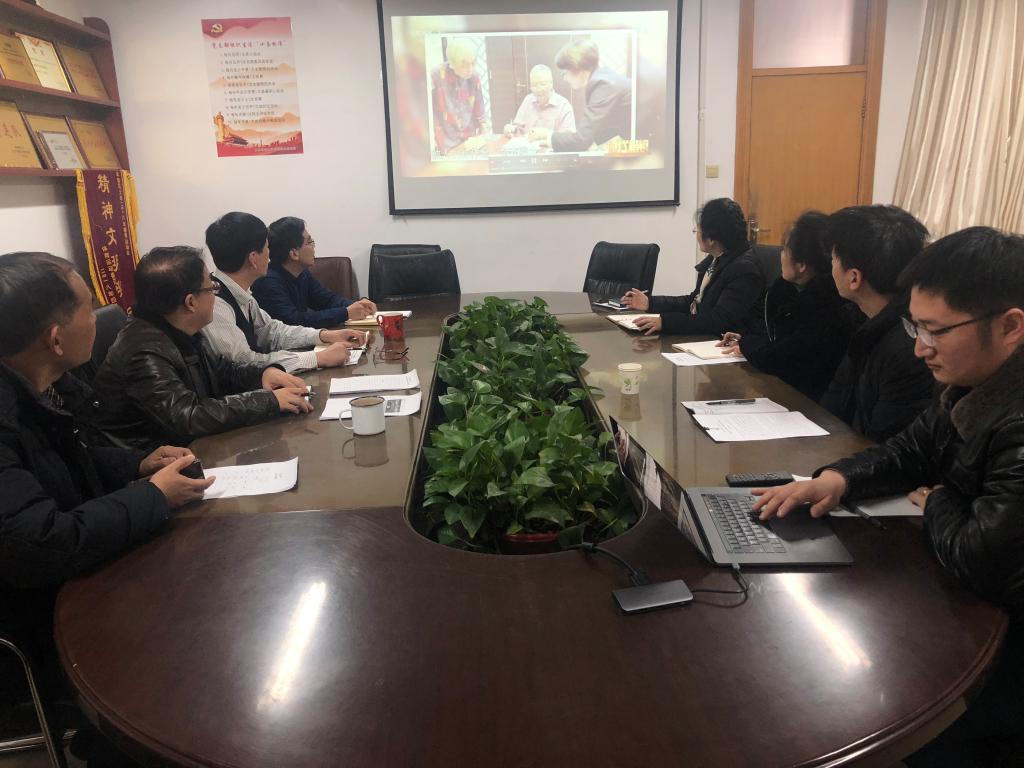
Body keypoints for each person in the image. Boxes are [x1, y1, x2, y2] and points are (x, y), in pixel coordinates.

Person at [752, 226, 1024, 767]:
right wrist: (837, 480)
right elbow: (910, 451)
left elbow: (982, 558)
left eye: (935, 331)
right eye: (914, 326)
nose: (920, 348)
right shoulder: (973, 381)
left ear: (1010, 326)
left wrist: (940, 500)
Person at [0, 252, 213, 765]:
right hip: (38, 615)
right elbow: (40, 542)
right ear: (55, 339)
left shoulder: (44, 388)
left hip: (75, 570)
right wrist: (153, 496)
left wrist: (137, 464)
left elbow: (59, 464)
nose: (102, 317)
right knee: (196, 641)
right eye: (88, 307)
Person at [94, 246, 312, 450]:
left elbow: (221, 370)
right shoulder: (143, 352)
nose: (215, 296)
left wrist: (263, 374)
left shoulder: (178, 327)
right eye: (212, 288)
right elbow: (188, 417)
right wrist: (268, 401)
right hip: (159, 462)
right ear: (191, 302)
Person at [818, 205, 935, 442]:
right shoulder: (864, 322)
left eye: (833, 259)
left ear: (854, 277)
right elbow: (834, 401)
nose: (830, 268)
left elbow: (886, 444)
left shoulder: (909, 347)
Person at [203, 212, 365, 373]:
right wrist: (317, 358)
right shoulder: (215, 304)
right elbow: (246, 363)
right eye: (266, 248)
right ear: (253, 259)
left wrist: (324, 336)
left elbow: (273, 332)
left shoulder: (241, 294)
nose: (269, 255)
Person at [717, 211, 852, 401]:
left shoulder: (827, 306)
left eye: (785, 250)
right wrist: (745, 339)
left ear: (802, 264)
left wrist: (748, 344)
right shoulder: (785, 291)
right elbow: (772, 337)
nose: (780, 255)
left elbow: (780, 357)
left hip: (807, 400)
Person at [622, 198, 764, 336]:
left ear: (711, 239)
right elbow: (694, 301)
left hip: (724, 344)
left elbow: (718, 321)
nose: (696, 235)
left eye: (698, 231)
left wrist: (665, 323)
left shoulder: (744, 270)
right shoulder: (718, 258)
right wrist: (650, 303)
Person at [252, 217, 377, 328]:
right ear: (294, 253)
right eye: (310, 242)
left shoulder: (302, 273)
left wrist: (358, 305)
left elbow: (328, 300)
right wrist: (346, 313)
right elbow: (295, 321)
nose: (314, 246)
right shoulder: (268, 282)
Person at [529, 38, 632, 152]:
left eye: (565, 72)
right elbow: (599, 131)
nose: (564, 78)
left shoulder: (604, 85)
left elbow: (581, 141)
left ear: (578, 68)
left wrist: (547, 134)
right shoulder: (604, 79)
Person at [431, 37, 491, 154]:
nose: (470, 69)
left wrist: (484, 130)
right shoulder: (436, 76)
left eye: (473, 63)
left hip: (469, 140)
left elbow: (480, 110)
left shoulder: (474, 76)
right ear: (452, 63)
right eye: (465, 65)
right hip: (447, 141)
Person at [503, 65, 575, 137]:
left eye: (543, 84)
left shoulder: (564, 106)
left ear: (551, 83)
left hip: (551, 144)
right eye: (534, 85)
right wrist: (511, 130)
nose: (539, 89)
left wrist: (547, 135)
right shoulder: (528, 100)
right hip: (527, 143)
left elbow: (568, 138)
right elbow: (518, 129)